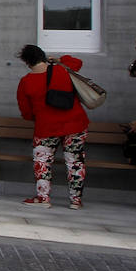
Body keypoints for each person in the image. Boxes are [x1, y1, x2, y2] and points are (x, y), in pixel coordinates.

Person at [15, 45, 89, 208]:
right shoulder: (62, 70)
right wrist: (58, 60)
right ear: (43, 56)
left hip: (46, 127)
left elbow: (26, 111)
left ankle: (43, 198)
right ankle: (75, 201)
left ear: (27, 62)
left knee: (42, 161)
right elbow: (77, 62)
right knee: (75, 162)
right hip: (75, 124)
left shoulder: (26, 81)